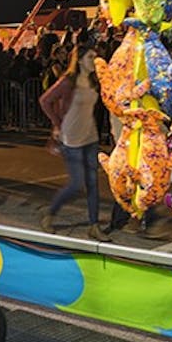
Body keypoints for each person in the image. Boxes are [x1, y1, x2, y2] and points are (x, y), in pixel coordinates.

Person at [38, 42, 109, 242]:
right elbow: (45, 100)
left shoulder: (95, 81)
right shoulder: (68, 81)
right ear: (79, 60)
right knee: (76, 183)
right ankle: (50, 214)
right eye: (89, 58)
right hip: (71, 138)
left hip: (90, 137)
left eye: (95, 58)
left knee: (93, 183)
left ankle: (93, 226)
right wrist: (57, 123)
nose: (94, 62)